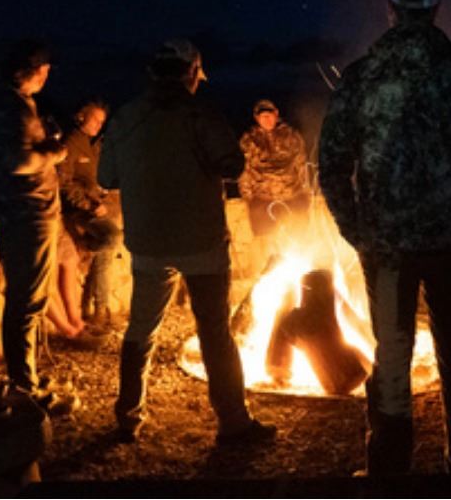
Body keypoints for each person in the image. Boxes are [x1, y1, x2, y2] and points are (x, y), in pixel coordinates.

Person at [319, 0, 451, 477]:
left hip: (386, 248)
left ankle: (388, 471)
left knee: (391, 356)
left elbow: (332, 164)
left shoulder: (361, 78)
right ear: (435, 9)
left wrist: (356, 230)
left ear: (390, 9)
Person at [98, 39, 276, 445]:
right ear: (193, 73)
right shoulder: (202, 114)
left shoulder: (126, 117)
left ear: (153, 72)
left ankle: (128, 416)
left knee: (141, 329)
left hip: (148, 242)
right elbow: (232, 165)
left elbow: (106, 177)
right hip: (202, 242)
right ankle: (233, 423)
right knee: (214, 332)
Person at [0, 39, 76, 414]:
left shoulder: (6, 101)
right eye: (46, 70)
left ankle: (28, 378)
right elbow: (19, 162)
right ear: (34, 70)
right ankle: (24, 390)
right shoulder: (11, 105)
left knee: (30, 299)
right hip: (27, 214)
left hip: (25, 213)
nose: (47, 76)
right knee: (27, 301)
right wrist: (56, 151)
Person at [58, 98, 123, 327]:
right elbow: (63, 183)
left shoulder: (92, 144)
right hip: (78, 211)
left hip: (96, 207)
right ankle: (99, 305)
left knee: (106, 250)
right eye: (95, 119)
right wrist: (89, 205)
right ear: (81, 116)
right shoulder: (71, 143)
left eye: (102, 121)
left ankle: (98, 308)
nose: (99, 125)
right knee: (112, 238)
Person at [237, 99, 310, 274]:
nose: (267, 120)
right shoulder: (250, 140)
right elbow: (244, 169)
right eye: (263, 116)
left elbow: (301, 164)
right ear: (256, 118)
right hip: (263, 199)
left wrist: (305, 191)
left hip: (291, 196)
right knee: (265, 242)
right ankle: (268, 277)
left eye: (269, 115)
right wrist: (247, 197)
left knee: (296, 239)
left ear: (276, 114)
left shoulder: (291, 136)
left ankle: (296, 275)